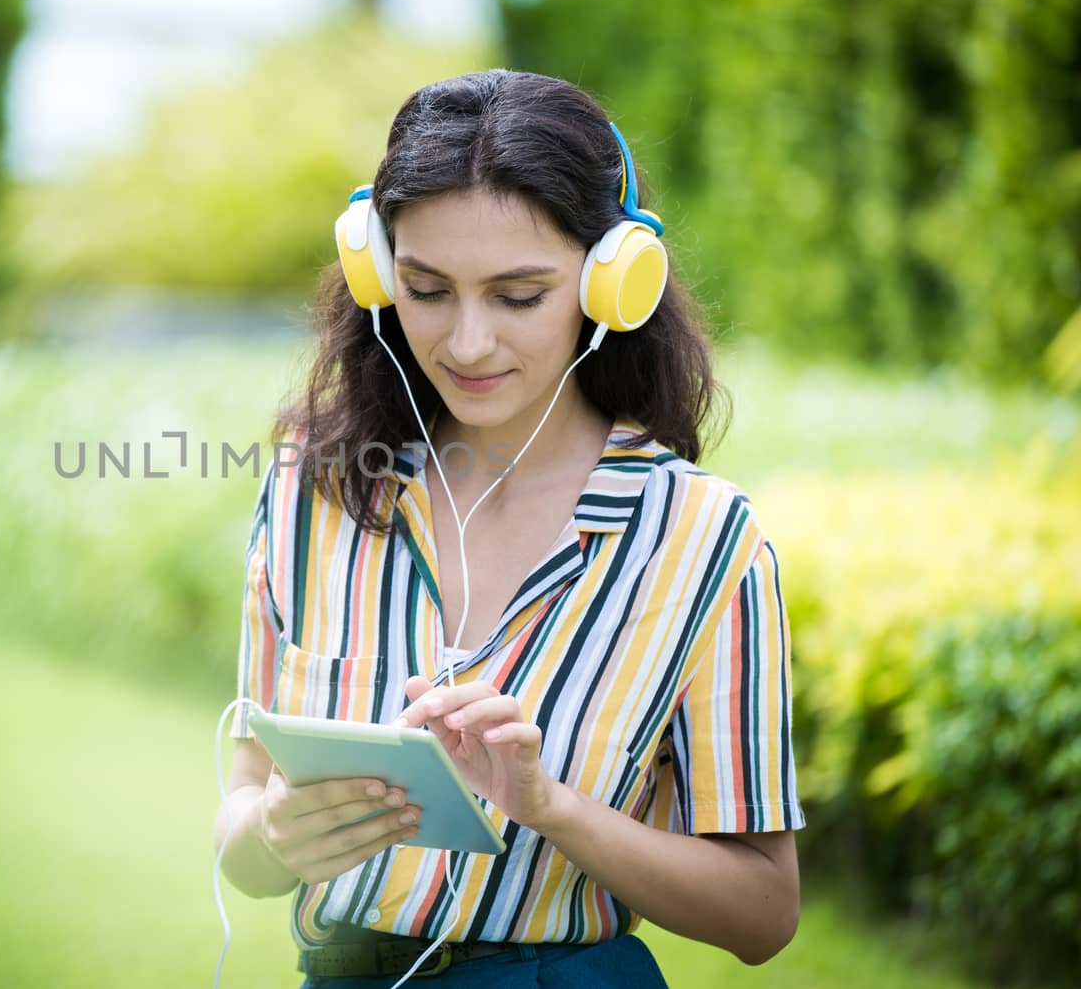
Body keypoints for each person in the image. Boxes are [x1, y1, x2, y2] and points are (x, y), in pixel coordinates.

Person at [212, 69, 805, 988]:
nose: (466, 344)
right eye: (426, 288)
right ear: (376, 271)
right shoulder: (312, 488)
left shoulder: (704, 540)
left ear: (615, 286)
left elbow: (764, 914)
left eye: (518, 295)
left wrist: (550, 807)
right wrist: (271, 832)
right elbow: (244, 825)